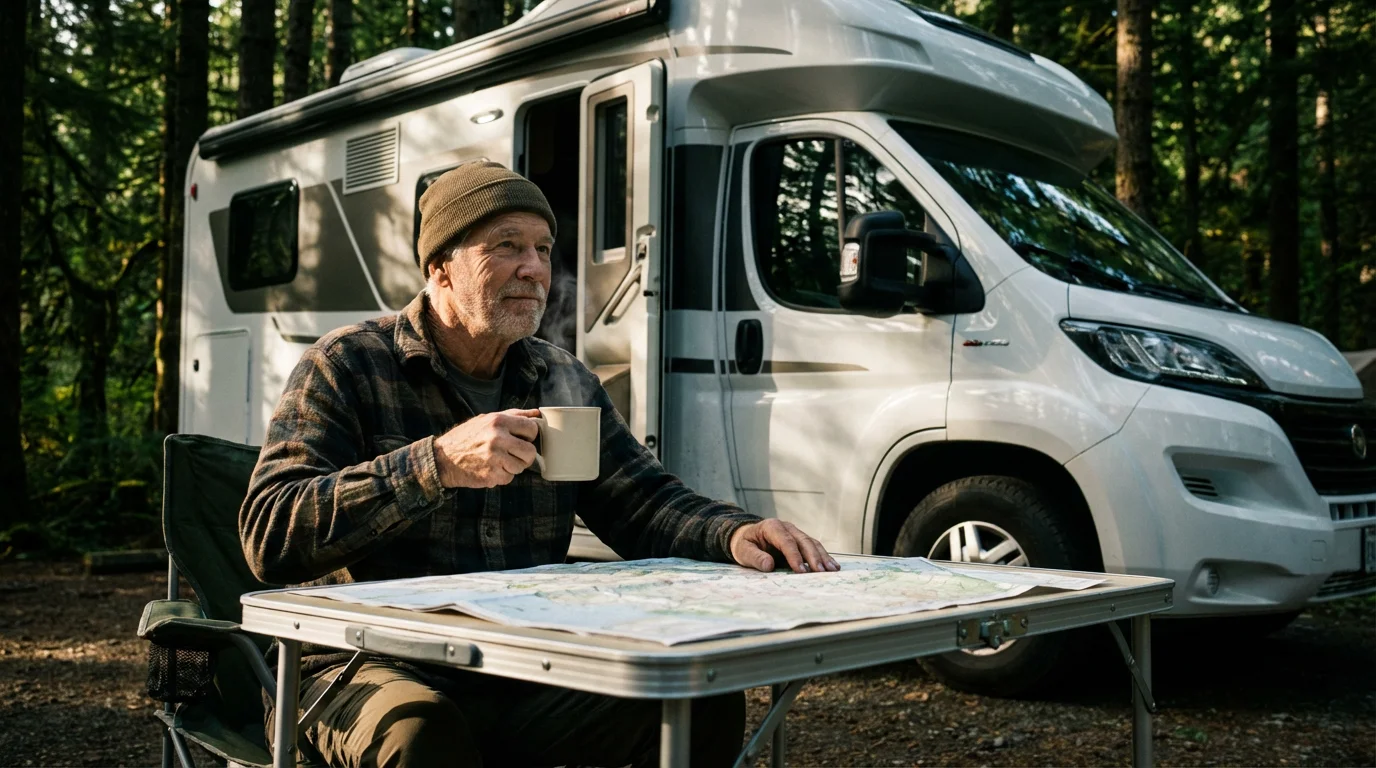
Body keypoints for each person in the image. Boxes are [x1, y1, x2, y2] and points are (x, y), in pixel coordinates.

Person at [239, 160, 837, 768]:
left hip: (517, 667)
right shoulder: (347, 365)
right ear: (438, 266)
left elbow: (644, 500)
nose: (534, 268)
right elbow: (268, 533)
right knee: (422, 735)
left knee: (697, 696)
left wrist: (735, 531)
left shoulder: (558, 375)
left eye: (544, 249)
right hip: (364, 662)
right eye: (506, 247)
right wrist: (436, 464)